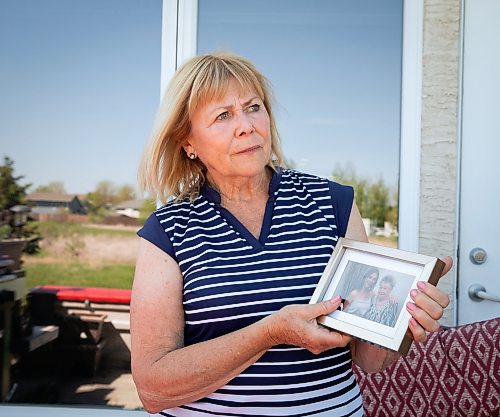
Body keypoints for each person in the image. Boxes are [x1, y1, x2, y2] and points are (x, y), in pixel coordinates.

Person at [131, 51, 452, 417]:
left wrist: (404, 322)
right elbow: (152, 389)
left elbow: (369, 359)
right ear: (187, 142)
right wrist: (269, 333)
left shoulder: (333, 203)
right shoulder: (168, 230)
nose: (246, 125)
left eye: (253, 107)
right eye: (223, 115)